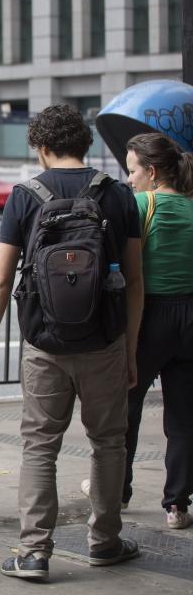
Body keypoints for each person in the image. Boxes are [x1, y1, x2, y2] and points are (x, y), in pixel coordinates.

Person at [0, 104, 143, 580]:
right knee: (109, 442)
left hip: (44, 344)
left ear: (42, 147)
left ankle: (33, 553)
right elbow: (134, 280)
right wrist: (130, 350)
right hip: (104, 341)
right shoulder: (117, 195)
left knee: (40, 445)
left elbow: (1, 280)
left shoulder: (25, 196)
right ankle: (105, 542)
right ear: (85, 143)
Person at [117, 132, 193, 529]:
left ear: (151, 171)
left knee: (127, 408)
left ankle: (120, 491)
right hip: (191, 317)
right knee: (183, 418)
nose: (129, 179)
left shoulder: (141, 205)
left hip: (150, 315)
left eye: (132, 171)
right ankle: (177, 505)